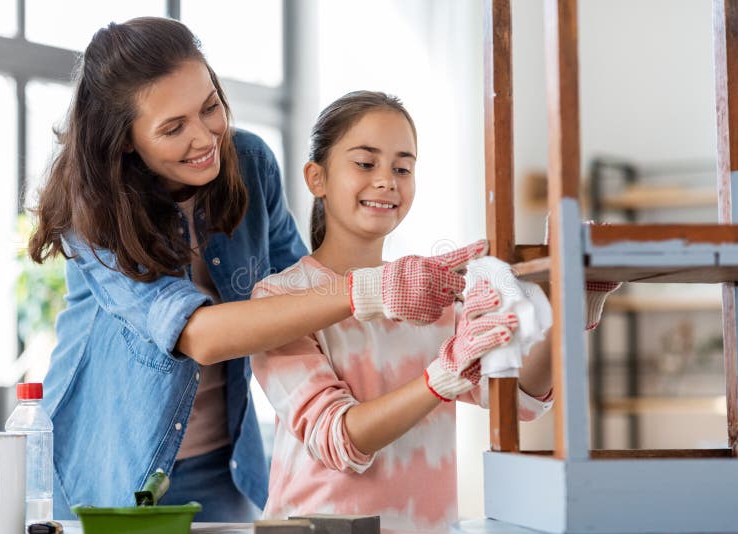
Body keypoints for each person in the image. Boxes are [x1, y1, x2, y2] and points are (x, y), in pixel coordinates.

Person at [28, 19, 486, 522]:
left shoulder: (247, 162)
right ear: (126, 141)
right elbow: (198, 335)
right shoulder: (91, 209)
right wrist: (376, 290)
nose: (205, 138)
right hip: (106, 463)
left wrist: (448, 303)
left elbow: (303, 290)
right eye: (173, 128)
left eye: (210, 108)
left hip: (221, 460)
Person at [250, 91, 557, 531]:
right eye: (365, 163)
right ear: (316, 178)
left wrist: (571, 311)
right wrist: (441, 379)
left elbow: (520, 397)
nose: (386, 181)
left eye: (402, 168)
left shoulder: (428, 290)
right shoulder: (280, 300)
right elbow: (338, 439)